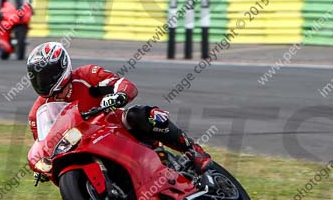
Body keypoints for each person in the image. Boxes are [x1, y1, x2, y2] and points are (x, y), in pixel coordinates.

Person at [25, 42, 212, 173]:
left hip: (113, 128)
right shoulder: (37, 113)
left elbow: (122, 84)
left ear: (62, 67)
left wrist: (119, 95)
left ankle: (194, 151)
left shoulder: (86, 75)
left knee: (139, 115)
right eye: (37, 76)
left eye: (47, 74)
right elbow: (45, 146)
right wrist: (43, 166)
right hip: (80, 147)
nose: (42, 81)